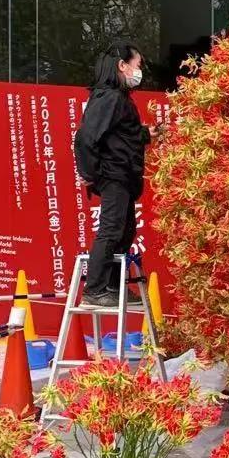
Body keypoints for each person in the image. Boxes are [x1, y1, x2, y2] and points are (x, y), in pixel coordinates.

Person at [73, 41, 153, 307]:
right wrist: (89, 173)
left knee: (125, 231)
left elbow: (122, 135)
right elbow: (85, 138)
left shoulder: (118, 98)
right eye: (137, 65)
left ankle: (113, 287)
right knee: (111, 230)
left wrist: (146, 134)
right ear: (122, 65)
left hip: (124, 176)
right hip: (114, 176)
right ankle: (95, 289)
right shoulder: (109, 97)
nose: (139, 71)